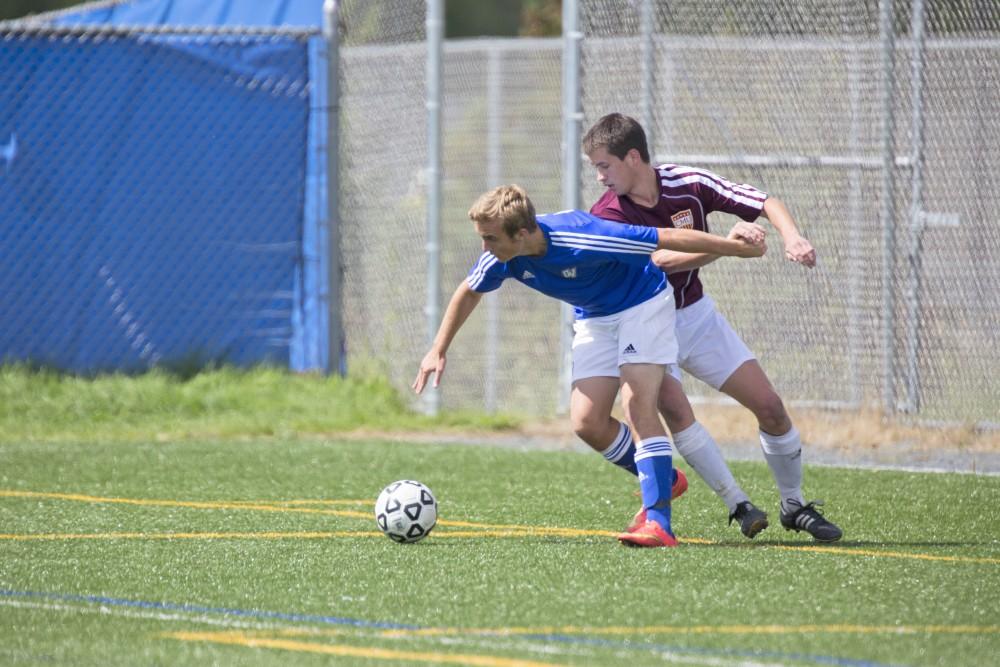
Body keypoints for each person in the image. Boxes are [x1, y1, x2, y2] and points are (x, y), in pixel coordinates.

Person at [413, 184, 765, 548]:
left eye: (490, 239)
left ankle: (659, 522)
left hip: (642, 304)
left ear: (520, 235)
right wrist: (438, 349)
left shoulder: (587, 236)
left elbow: (664, 236)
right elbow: (469, 290)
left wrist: (734, 247)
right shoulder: (503, 257)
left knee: (636, 402)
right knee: (587, 422)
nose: (484, 248)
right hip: (595, 318)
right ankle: (665, 479)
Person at [580, 112, 843, 543]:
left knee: (770, 407)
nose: (599, 177)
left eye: (603, 165)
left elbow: (763, 202)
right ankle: (738, 504)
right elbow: (658, 262)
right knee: (677, 411)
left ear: (632, 157)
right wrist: (729, 247)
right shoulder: (608, 212)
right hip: (644, 322)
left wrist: (791, 237)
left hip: (695, 316)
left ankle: (793, 505)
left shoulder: (687, 183)